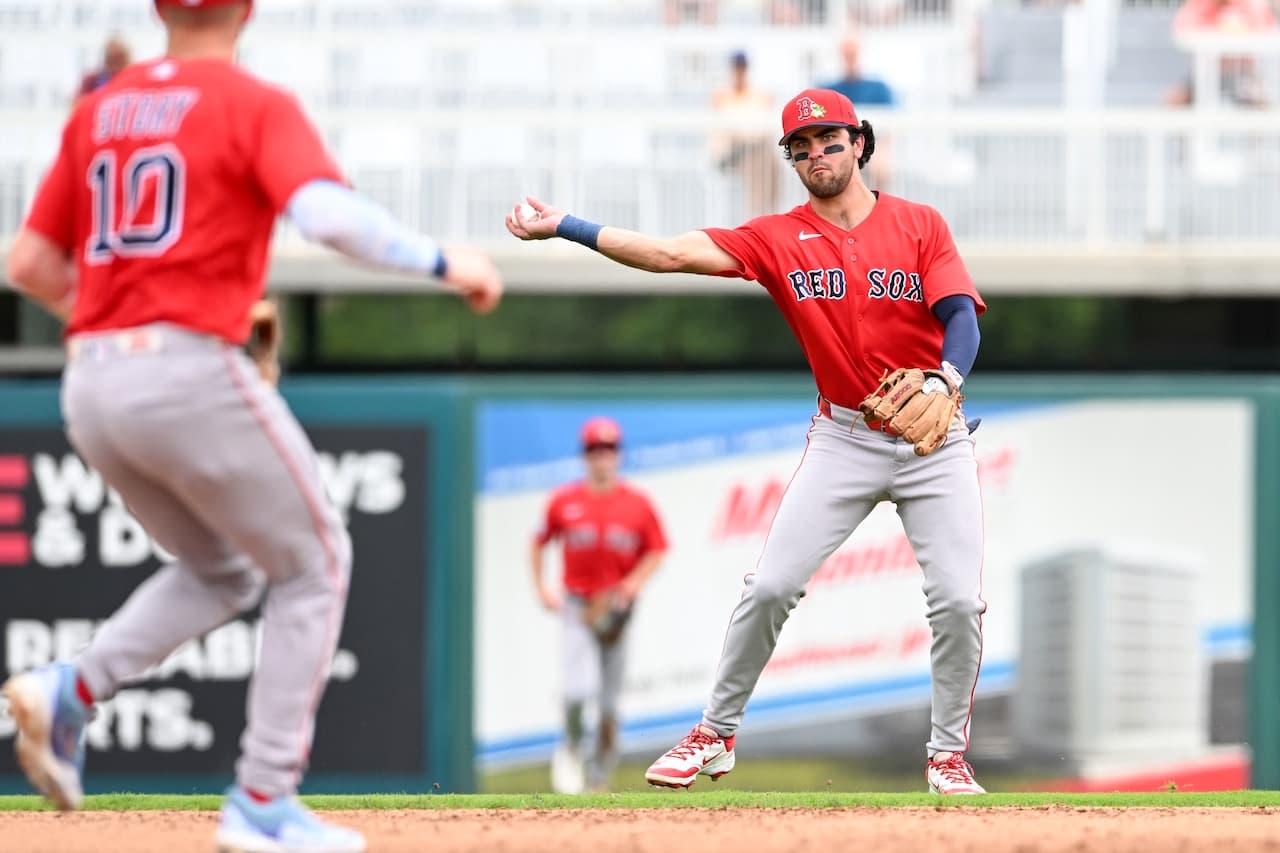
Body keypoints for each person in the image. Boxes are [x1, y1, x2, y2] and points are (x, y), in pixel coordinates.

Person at [2, 1, 502, 851]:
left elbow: (29, 264)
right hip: (188, 368)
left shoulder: (101, 108)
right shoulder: (250, 102)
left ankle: (71, 692)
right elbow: (329, 216)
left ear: (160, 9)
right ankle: (263, 797)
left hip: (90, 380)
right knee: (316, 560)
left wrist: (127, 321)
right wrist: (445, 261)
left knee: (225, 568)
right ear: (246, 9)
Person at [507, 87, 988, 796]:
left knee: (956, 601)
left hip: (934, 436)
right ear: (790, 161)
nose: (816, 153)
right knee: (768, 584)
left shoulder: (919, 224)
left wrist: (946, 382)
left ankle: (947, 754)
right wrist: (567, 226)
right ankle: (715, 732)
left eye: (829, 139)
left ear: (860, 143)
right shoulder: (775, 237)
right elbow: (669, 254)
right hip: (846, 434)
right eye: (800, 147)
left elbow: (961, 318)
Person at [531, 417, 668, 793]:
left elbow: (657, 549)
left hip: (616, 611)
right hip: (577, 607)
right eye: (594, 450)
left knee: (609, 706)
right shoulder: (565, 501)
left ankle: (599, 778)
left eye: (607, 450)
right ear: (585, 455)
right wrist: (542, 586)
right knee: (577, 693)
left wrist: (632, 584)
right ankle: (573, 745)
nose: (601, 457)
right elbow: (538, 540)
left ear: (618, 455)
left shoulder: (637, 505)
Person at [1166, 0, 1276, 107]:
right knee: (1176, 100)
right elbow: (1183, 28)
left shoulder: (1252, 4)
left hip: (1243, 73)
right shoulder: (1201, 4)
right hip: (1204, 73)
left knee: (1260, 102)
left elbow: (1266, 29)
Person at [710, 50, 779, 220]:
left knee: (771, 163)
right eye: (737, 68)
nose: (740, 72)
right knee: (760, 162)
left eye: (742, 68)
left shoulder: (758, 94)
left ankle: (766, 214)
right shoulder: (721, 96)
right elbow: (723, 132)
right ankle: (759, 217)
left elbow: (762, 127)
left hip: (755, 149)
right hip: (731, 152)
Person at [819, 31, 896, 108]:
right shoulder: (828, 93)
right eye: (846, 55)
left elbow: (893, 116)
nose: (850, 60)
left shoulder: (879, 89)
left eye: (853, 54)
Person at [76, 36, 132, 102]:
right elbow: (78, 105)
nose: (116, 64)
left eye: (119, 58)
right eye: (111, 58)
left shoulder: (134, 81)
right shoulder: (92, 81)